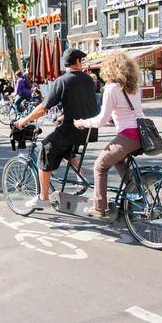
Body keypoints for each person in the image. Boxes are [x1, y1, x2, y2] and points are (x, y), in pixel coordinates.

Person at [15, 48, 98, 209]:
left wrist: (25, 120)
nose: (83, 63)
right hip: (89, 130)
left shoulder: (62, 81)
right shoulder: (88, 80)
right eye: (81, 60)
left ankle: (43, 197)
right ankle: (81, 179)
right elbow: (82, 103)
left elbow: (43, 108)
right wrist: (63, 117)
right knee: (65, 150)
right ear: (77, 62)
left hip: (72, 129)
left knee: (46, 148)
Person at [73, 52, 145, 217]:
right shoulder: (134, 86)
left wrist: (81, 123)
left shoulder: (112, 88)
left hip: (127, 137)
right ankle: (134, 195)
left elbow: (100, 120)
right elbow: (131, 111)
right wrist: (115, 117)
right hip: (140, 135)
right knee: (119, 161)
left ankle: (99, 207)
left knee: (100, 166)